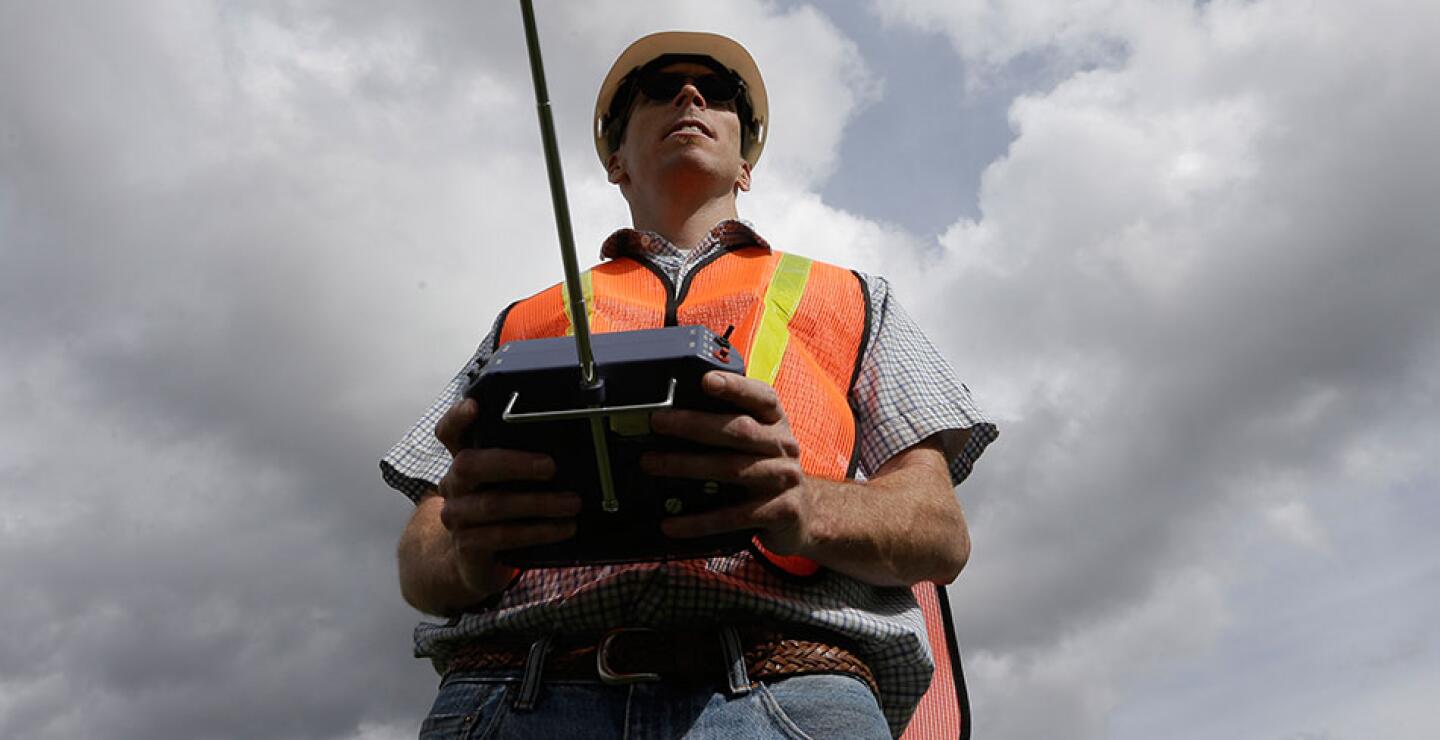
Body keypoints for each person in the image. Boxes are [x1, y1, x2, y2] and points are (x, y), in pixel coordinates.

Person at [381, 31, 996, 739]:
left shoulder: (854, 297)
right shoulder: (523, 320)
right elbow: (419, 553)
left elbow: (939, 533)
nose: (690, 96)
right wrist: (463, 551)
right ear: (615, 161)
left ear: (746, 165)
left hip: (787, 693)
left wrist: (805, 505)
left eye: (720, 93)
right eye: (658, 88)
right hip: (514, 690)